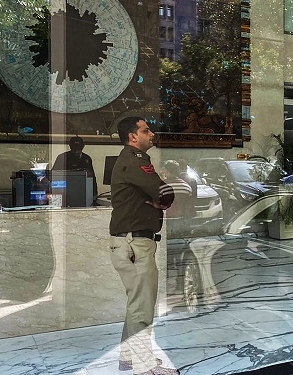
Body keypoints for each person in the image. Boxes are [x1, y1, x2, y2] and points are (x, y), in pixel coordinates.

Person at [109, 116, 179, 375]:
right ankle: (144, 366)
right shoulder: (134, 160)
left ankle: (128, 358)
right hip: (135, 243)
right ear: (132, 136)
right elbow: (164, 193)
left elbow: (158, 194)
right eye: (146, 130)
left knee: (137, 303)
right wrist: (161, 198)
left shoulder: (131, 160)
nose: (152, 134)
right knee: (142, 307)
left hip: (131, 242)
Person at [161, 159, 195, 238]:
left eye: (164, 170)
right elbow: (188, 207)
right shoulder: (187, 187)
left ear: (167, 171)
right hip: (180, 222)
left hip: (165, 221)